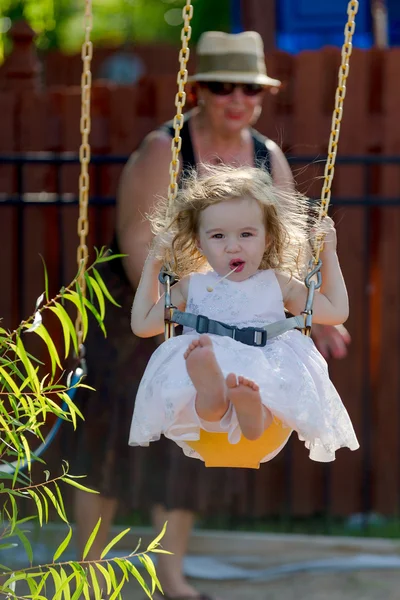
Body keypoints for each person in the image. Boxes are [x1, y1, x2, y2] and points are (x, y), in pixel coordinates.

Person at [71, 31, 351, 600]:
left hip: (236, 299)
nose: (236, 99)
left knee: (195, 445)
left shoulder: (266, 154)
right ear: (198, 90)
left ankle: (169, 573)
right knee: (108, 443)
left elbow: (286, 250)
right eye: (223, 87)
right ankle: (89, 566)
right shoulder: (163, 149)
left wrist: (309, 316)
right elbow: (138, 244)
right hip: (162, 300)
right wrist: (194, 308)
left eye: (248, 88)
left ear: (261, 95)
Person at [129, 165, 359, 463]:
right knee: (206, 402)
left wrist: (329, 253)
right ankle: (213, 389)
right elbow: (144, 324)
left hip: (265, 365)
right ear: (199, 242)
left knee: (263, 393)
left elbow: (336, 312)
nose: (233, 246)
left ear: (268, 239)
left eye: (247, 234)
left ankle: (247, 408)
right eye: (218, 236)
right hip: (208, 358)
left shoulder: (277, 283)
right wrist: (153, 262)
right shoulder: (192, 286)